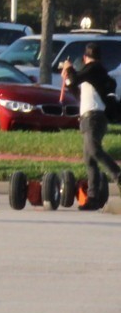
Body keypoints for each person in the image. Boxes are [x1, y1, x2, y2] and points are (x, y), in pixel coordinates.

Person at [60, 43, 121, 210]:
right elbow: (78, 92)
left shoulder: (93, 68)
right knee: (89, 159)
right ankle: (93, 199)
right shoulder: (94, 73)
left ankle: (117, 174)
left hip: (94, 117)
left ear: (85, 58)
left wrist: (69, 68)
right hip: (88, 118)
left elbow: (75, 78)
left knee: (94, 150)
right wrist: (69, 79)